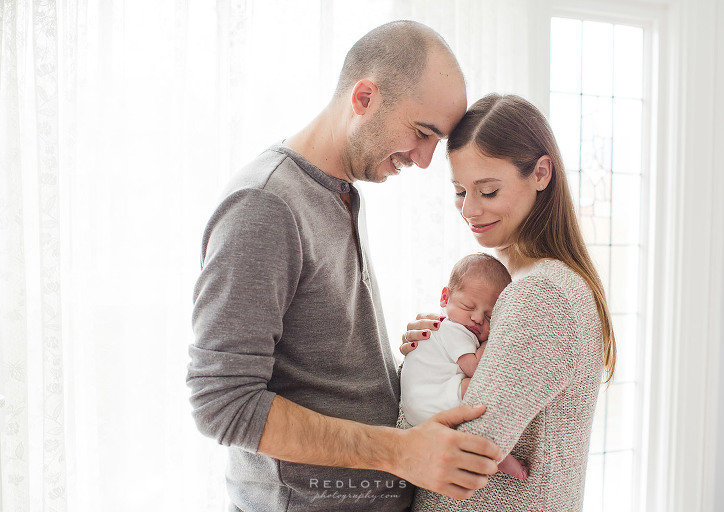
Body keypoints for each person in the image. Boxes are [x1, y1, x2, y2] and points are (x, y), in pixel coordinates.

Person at [186, 21, 525, 512]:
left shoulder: (340, 193)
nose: (426, 160)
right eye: (422, 133)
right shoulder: (264, 205)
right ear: (364, 98)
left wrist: (409, 365)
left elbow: (320, 371)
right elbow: (221, 402)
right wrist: (398, 452)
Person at [400, 94, 617, 511]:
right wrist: (431, 353)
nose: (470, 210)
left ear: (540, 173)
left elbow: (463, 455)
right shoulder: (521, 285)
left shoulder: (539, 294)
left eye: (488, 190)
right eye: (460, 191)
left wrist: (414, 383)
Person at [400, 253, 511, 427]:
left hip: (417, 407)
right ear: (445, 297)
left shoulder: (450, 327)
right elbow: (474, 368)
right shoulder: (451, 328)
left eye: (489, 316)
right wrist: (491, 341)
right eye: (468, 307)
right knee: (482, 387)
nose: (477, 318)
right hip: (430, 402)